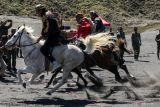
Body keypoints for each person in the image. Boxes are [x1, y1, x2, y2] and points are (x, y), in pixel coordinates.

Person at [35, 4, 62, 72]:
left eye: (37, 11)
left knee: (43, 49)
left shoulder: (45, 16)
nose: (37, 13)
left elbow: (45, 28)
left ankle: (55, 63)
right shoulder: (50, 13)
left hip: (53, 35)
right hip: (57, 33)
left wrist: (41, 37)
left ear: (41, 10)